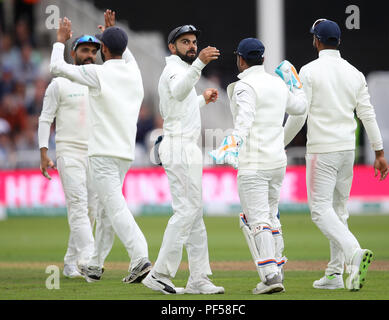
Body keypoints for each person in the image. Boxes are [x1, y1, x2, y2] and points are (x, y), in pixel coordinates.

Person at [283, 19, 389, 291]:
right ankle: (334, 274)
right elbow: (367, 113)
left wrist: (279, 142)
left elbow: (299, 114)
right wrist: (379, 152)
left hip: (322, 151)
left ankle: (354, 252)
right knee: (338, 211)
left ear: (316, 41)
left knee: (320, 211)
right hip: (346, 152)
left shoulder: (308, 71)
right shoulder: (354, 73)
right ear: (338, 41)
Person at [49, 11, 152, 284]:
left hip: (102, 155)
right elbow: (124, 53)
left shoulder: (97, 73)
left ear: (103, 49)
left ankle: (140, 257)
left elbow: (56, 68)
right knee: (106, 211)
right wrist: (112, 34)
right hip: (125, 154)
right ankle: (94, 264)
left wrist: (60, 41)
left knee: (115, 208)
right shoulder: (135, 71)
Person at [210, 38, 307, 294]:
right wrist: (294, 83)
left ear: (241, 60)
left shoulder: (245, 86)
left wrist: (232, 143)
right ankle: (277, 269)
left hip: (254, 164)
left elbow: (244, 120)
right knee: (272, 216)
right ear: (263, 59)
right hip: (277, 163)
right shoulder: (277, 83)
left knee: (257, 220)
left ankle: (270, 275)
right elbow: (301, 107)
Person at [142, 25, 224, 295]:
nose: (191, 46)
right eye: (185, 42)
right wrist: (200, 62)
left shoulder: (179, 70)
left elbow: (174, 108)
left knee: (194, 215)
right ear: (172, 47)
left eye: (193, 42)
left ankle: (198, 278)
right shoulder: (175, 70)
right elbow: (178, 91)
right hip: (179, 148)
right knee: (187, 212)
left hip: (183, 146)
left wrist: (201, 99)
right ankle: (159, 273)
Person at [38, 34, 100, 278]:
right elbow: (45, 118)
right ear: (73, 54)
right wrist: (44, 153)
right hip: (69, 152)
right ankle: (88, 259)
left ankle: (71, 262)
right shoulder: (59, 84)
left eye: (94, 51)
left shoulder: (98, 82)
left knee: (91, 210)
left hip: (94, 153)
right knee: (77, 206)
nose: (90, 56)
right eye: (84, 50)